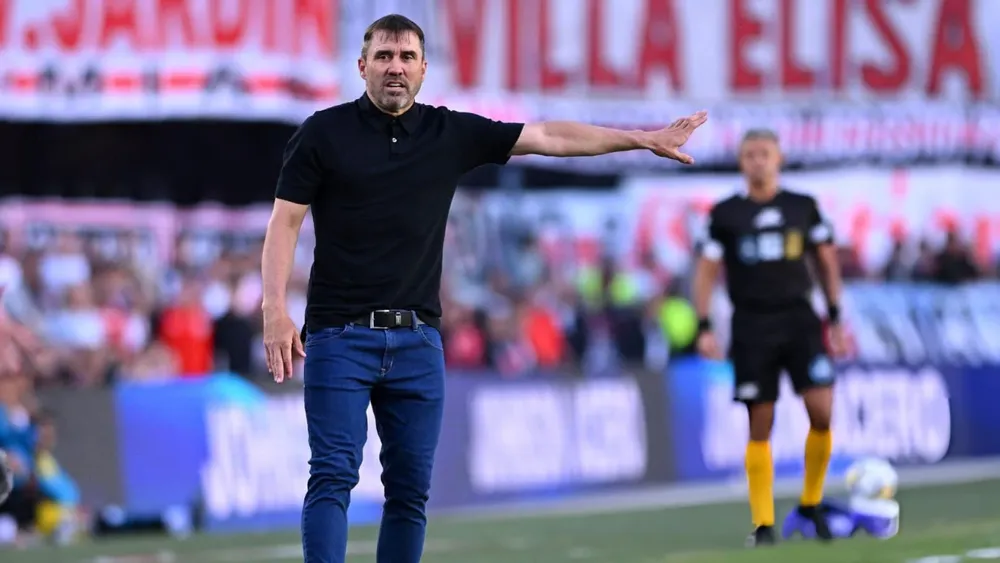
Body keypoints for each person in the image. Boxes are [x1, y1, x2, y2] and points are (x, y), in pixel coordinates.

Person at [260, 13, 707, 563]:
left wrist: (639, 139)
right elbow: (284, 222)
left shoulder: (449, 133)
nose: (394, 67)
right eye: (383, 56)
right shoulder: (322, 133)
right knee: (332, 477)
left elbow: (548, 136)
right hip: (338, 336)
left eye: (405, 58)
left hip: (418, 341)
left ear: (424, 69)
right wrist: (274, 308)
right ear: (361, 67)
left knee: (410, 494)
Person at [691, 129, 847, 547]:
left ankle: (811, 505)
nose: (757, 161)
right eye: (749, 155)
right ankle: (763, 525)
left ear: (780, 158)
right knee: (760, 421)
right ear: (741, 163)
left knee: (822, 411)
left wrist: (835, 317)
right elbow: (706, 270)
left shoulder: (803, 207)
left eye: (764, 153)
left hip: (799, 318)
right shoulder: (724, 215)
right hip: (751, 324)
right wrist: (703, 326)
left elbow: (827, 261)